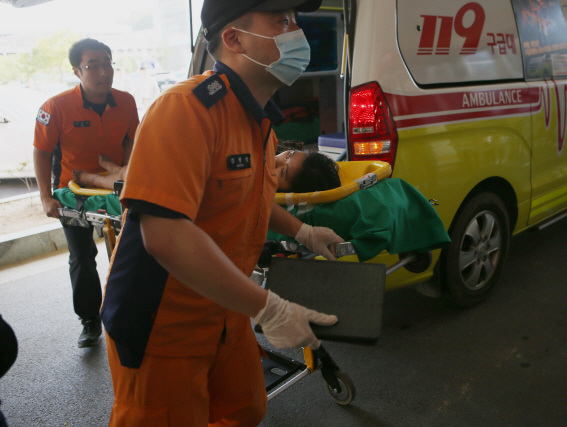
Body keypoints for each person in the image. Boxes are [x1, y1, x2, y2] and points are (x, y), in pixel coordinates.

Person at [100, 0, 344, 425]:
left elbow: (252, 198)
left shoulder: (261, 123)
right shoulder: (185, 110)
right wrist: (269, 308)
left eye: (294, 20)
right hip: (163, 322)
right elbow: (164, 235)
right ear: (234, 39)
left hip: (225, 305)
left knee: (244, 408)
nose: (297, 32)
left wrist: (303, 231)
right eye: (281, 21)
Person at [32, 38, 139, 349]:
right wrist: (45, 197)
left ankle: (132, 309)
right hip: (73, 191)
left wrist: (127, 172)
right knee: (83, 255)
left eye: (108, 63)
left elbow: (134, 139)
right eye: (94, 66)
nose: (104, 72)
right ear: (77, 71)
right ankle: (89, 319)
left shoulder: (126, 102)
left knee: (130, 250)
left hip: (116, 189)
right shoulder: (55, 107)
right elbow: (41, 152)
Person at [72, 149, 341, 193]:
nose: (277, 161)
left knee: (125, 177)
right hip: (175, 160)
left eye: (282, 173)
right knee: (124, 171)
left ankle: (90, 178)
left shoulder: (254, 186)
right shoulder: (259, 144)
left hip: (162, 176)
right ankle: (111, 168)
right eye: (287, 156)